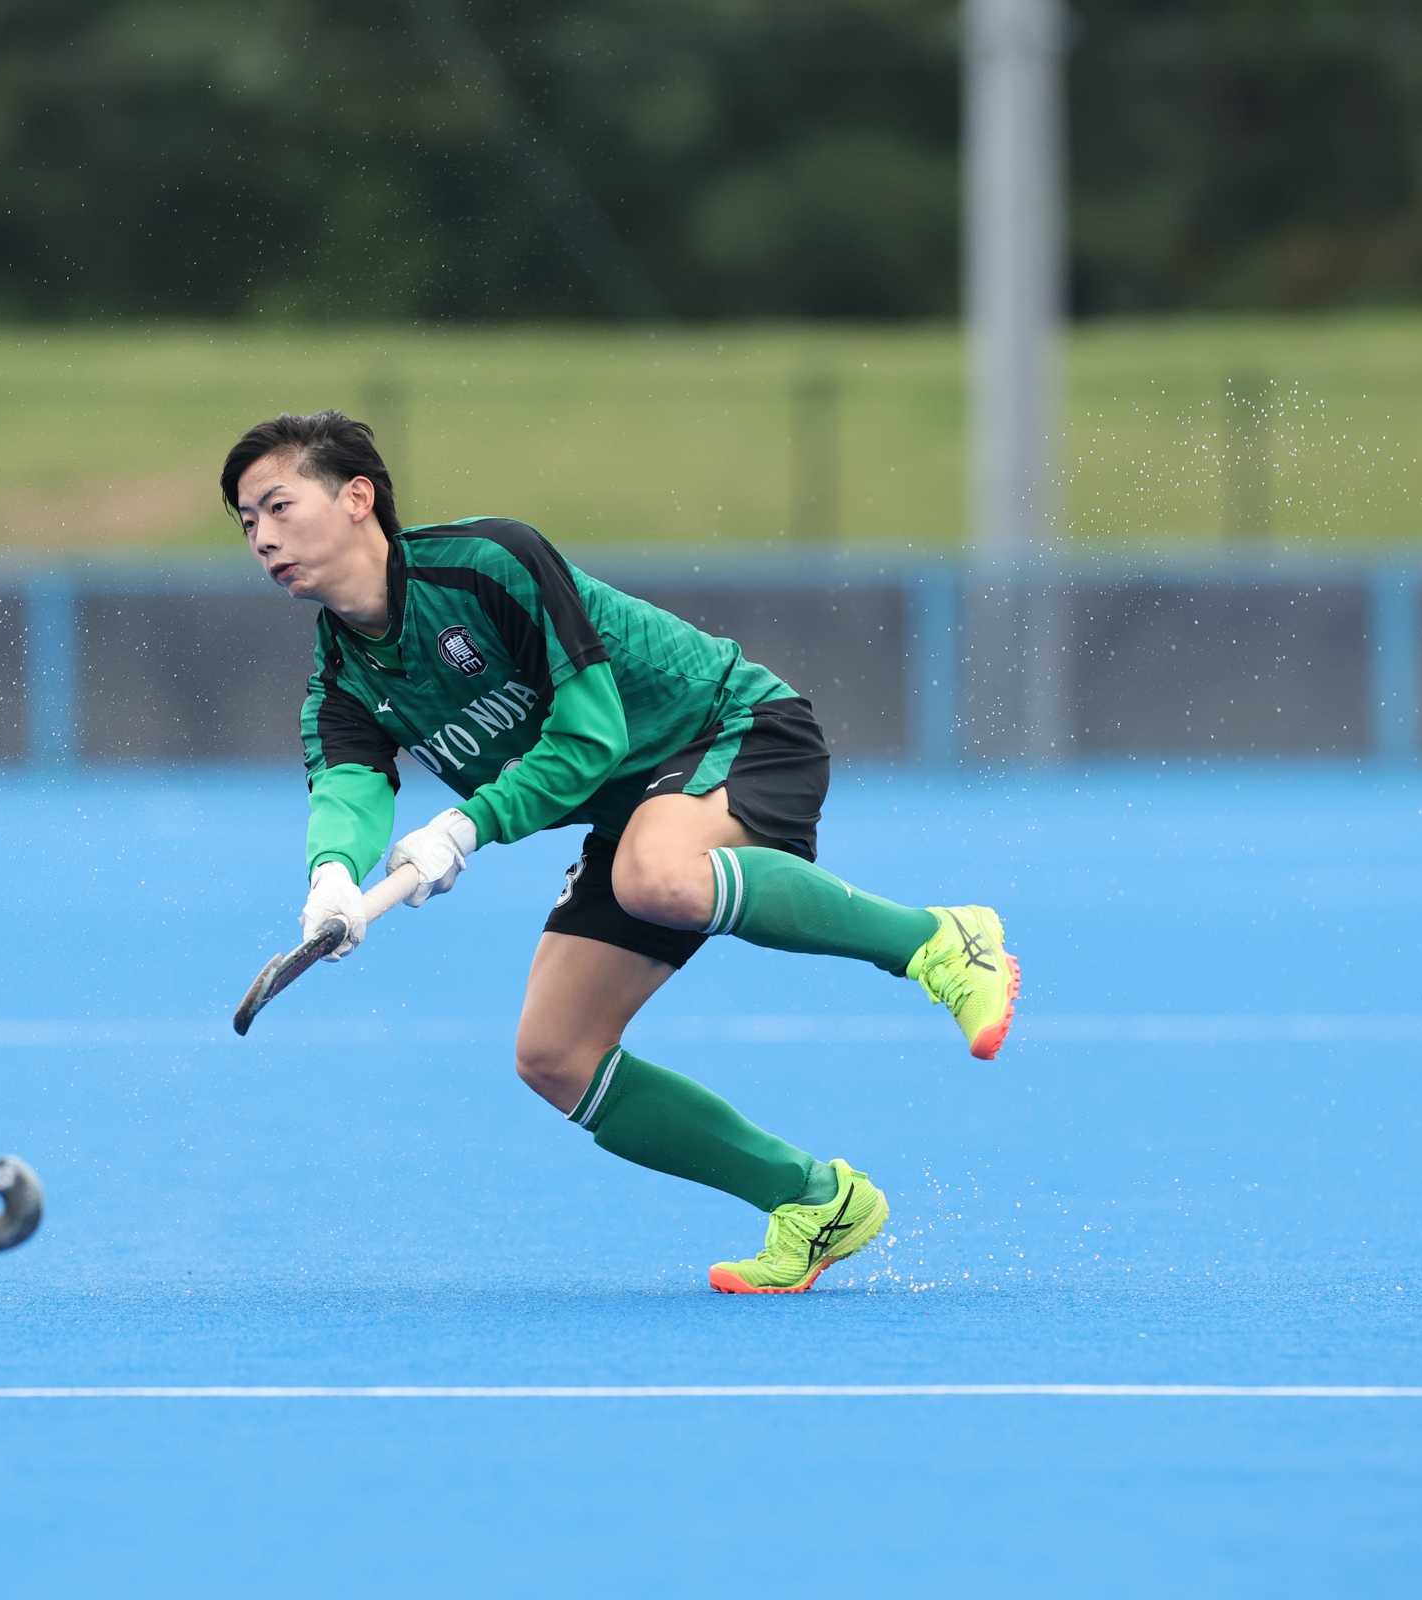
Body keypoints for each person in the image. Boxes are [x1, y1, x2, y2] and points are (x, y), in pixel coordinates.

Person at [225, 410, 1017, 1294]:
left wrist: (465, 826)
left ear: (357, 498)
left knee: (656, 875)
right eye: (247, 522)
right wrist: (333, 878)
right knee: (554, 1055)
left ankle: (937, 940)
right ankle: (815, 1201)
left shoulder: (488, 564)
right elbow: (348, 791)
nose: (262, 537)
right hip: (636, 813)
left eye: (278, 506)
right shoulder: (341, 685)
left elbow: (591, 736)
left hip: (732, 729)